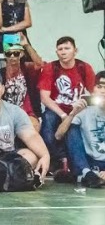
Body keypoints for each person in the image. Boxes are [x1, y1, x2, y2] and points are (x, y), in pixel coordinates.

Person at [38, 36, 96, 174]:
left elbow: (95, 93)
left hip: (79, 109)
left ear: (75, 51)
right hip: (56, 108)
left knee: (77, 130)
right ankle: (57, 161)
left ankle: (78, 164)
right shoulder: (50, 68)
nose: (63, 52)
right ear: (56, 52)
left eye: (67, 48)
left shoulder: (84, 67)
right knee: (48, 124)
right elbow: (45, 98)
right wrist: (63, 114)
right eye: (60, 49)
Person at [54, 71, 105, 188]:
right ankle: (87, 173)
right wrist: (72, 114)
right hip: (89, 162)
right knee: (72, 128)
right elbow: (58, 135)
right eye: (99, 87)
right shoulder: (85, 110)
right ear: (93, 90)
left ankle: (79, 177)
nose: (103, 91)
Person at [0, 35, 44, 132]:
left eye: (16, 53)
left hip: (28, 113)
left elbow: (39, 64)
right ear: (4, 55)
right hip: (6, 114)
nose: (12, 57)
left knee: (33, 128)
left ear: (21, 54)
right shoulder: (0, 73)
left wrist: (26, 45)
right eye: (9, 54)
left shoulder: (28, 69)